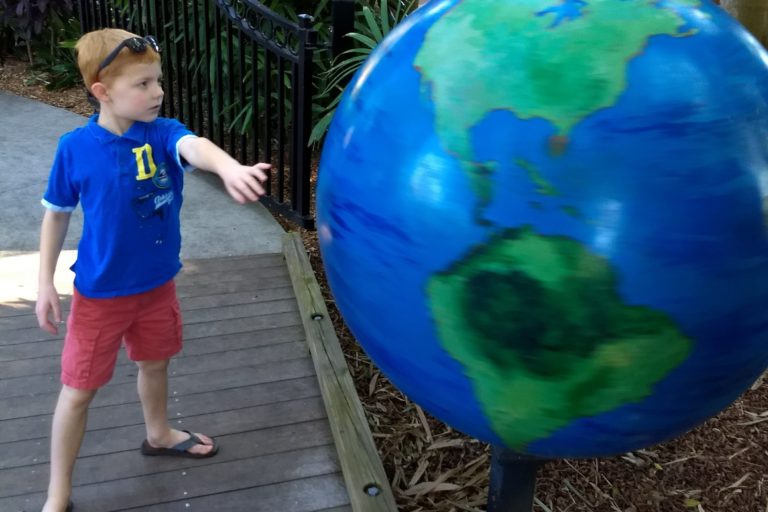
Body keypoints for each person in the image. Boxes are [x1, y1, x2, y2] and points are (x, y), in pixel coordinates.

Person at [34, 28, 271, 512]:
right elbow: (56, 214)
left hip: (157, 286)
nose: (157, 92)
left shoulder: (161, 133)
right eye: (142, 84)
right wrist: (44, 285)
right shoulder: (75, 148)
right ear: (103, 91)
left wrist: (229, 168)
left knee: (155, 362)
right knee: (78, 392)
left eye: (157, 80)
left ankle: (159, 433)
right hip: (100, 295)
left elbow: (195, 146)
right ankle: (57, 495)